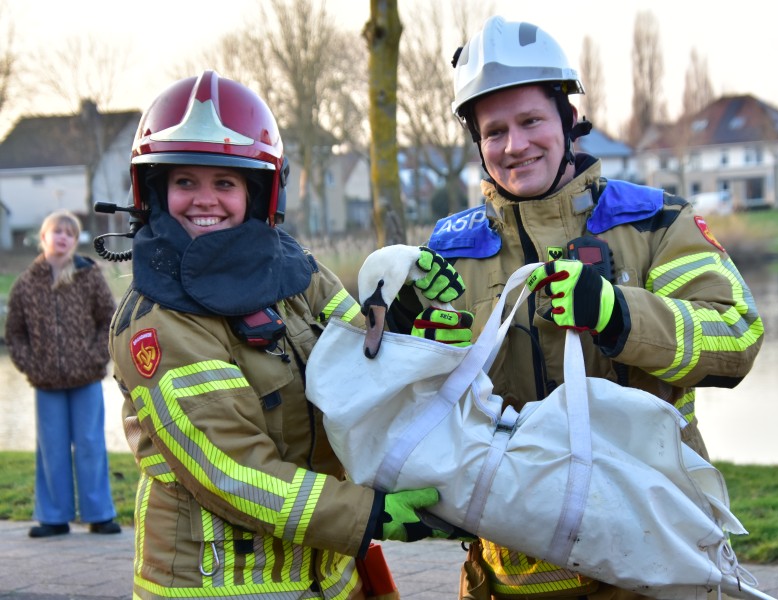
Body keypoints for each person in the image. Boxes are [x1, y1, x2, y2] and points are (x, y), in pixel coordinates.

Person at [407, 16, 765, 600]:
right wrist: (424, 360)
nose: (515, 145)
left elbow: (735, 339)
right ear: (477, 142)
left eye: (530, 121)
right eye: (494, 131)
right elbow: (418, 415)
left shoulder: (655, 223)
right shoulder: (444, 255)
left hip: (658, 560)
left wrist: (620, 315)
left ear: (568, 120)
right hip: (512, 575)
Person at [103, 70, 465, 600]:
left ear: (258, 192)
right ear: (154, 190)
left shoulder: (296, 272)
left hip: (328, 578)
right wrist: (368, 515)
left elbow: (362, 361)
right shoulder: (156, 322)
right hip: (220, 586)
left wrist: (407, 314)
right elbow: (230, 469)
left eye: (224, 183)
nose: (205, 200)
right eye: (186, 182)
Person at [4, 209, 121, 538]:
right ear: (44, 237)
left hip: (86, 378)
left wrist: (95, 356)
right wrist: (32, 364)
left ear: (75, 240)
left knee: (89, 444)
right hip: (47, 383)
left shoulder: (89, 276)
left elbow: (109, 322)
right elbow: (14, 333)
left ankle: (99, 514)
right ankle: (53, 517)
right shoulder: (26, 284)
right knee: (51, 448)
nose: (63, 237)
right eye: (57, 231)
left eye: (70, 233)